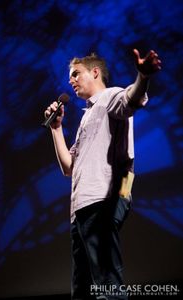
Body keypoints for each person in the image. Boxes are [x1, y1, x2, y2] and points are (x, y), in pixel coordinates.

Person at [44, 49, 161, 299]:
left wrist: (143, 76)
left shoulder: (110, 96)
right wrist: (56, 129)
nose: (71, 80)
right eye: (70, 77)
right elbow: (68, 167)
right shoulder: (87, 117)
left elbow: (132, 98)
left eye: (76, 74)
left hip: (101, 200)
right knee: (84, 289)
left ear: (95, 72)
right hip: (82, 209)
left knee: (108, 286)